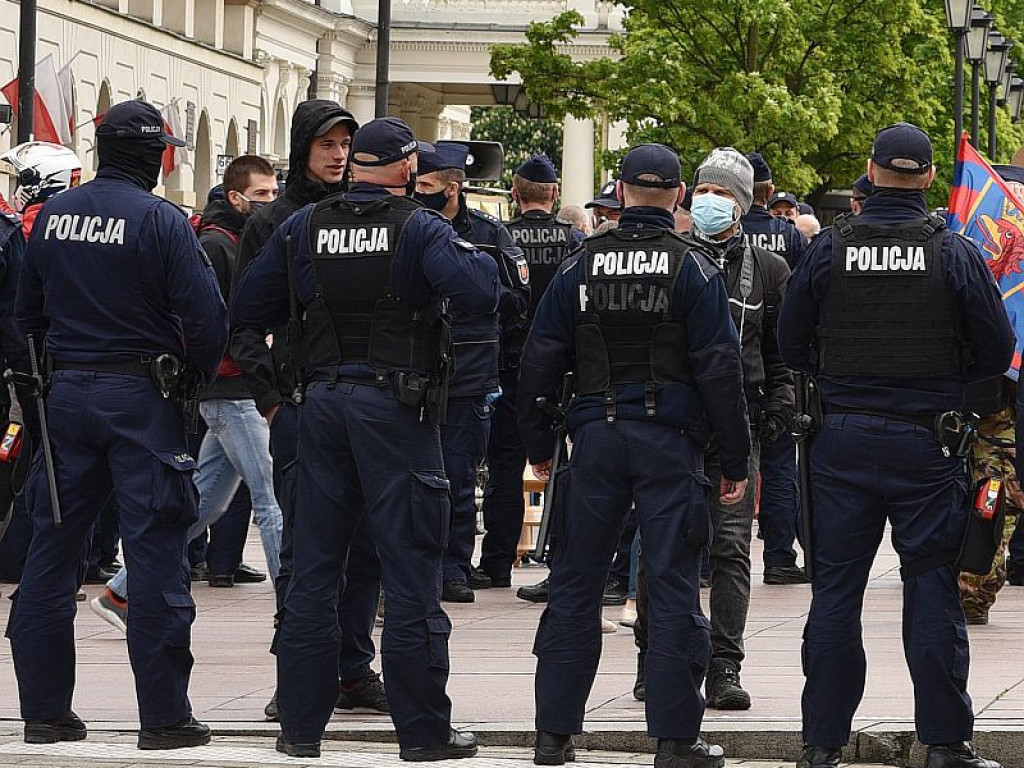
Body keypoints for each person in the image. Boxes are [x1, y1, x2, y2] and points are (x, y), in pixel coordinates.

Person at [232, 116, 499, 761]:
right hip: (396, 414)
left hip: (319, 408)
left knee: (312, 573)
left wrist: (278, 393)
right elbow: (481, 295)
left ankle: (300, 730)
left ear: (355, 165)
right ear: (408, 168)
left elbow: (245, 311)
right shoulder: (421, 228)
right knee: (410, 574)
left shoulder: (303, 226)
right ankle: (424, 734)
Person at [778, 122, 1013, 768]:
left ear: (871, 169)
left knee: (835, 593)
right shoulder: (954, 252)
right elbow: (996, 350)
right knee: (932, 588)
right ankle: (945, 744)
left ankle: (821, 744)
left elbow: (790, 342)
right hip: (927, 443)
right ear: (929, 177)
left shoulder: (829, 248)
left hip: (841, 440)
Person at [517, 142, 750, 768]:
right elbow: (720, 370)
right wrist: (735, 459)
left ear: (619, 192)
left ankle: (553, 735)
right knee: (671, 586)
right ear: (679, 196)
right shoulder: (694, 268)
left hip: (594, 438)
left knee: (576, 584)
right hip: (670, 444)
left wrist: (538, 445)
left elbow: (539, 361)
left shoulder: (579, 265)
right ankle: (675, 739)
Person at [7, 99, 228, 749]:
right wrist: (191, 382)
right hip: (142, 399)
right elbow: (207, 319)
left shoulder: (54, 216)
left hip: (67, 395)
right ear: (153, 155)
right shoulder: (161, 220)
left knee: (52, 553)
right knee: (156, 555)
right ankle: (163, 719)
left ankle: (44, 713)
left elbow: (26, 315)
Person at [230, 101, 387, 720]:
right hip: (299, 403)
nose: (339, 155)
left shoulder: (371, 213)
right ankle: (297, 674)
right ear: (303, 149)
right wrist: (271, 401)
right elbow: (244, 322)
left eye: (346, 143)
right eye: (327, 144)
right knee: (306, 550)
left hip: (367, 404)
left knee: (366, 546)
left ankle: (352, 669)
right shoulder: (274, 221)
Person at [91, 155, 284, 629]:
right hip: (232, 389)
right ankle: (296, 610)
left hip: (232, 389)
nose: (270, 202)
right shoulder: (218, 245)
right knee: (272, 499)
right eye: (261, 194)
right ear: (236, 197)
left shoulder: (240, 241)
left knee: (204, 504)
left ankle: (121, 593)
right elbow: (209, 317)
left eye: (274, 193)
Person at [633, 148, 793, 713]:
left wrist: (779, 406)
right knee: (662, 544)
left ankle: (725, 664)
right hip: (674, 426)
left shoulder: (769, 271)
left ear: (744, 204)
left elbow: (780, 355)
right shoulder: (671, 257)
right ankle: (655, 657)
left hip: (738, 428)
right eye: (703, 189)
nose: (709, 201)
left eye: (723, 193)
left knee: (730, 549)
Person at [413, 141, 530, 603]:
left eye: (426, 184)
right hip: (415, 369)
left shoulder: (489, 234)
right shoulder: (407, 226)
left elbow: (518, 299)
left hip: (469, 372)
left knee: (460, 477)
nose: (417, 190)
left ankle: (453, 568)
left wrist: (473, 292)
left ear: (451, 187)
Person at [477, 154, 584, 597]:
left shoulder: (501, 238)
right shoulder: (574, 240)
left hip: (510, 362)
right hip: (563, 368)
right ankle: (561, 561)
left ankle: (496, 563)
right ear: (554, 194)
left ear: (514, 194)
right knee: (563, 466)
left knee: (504, 464)